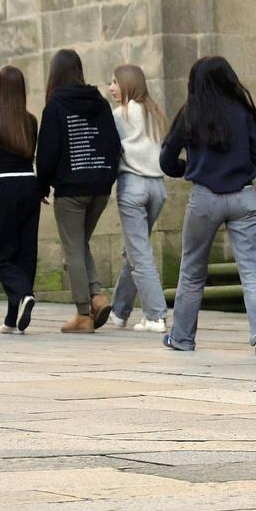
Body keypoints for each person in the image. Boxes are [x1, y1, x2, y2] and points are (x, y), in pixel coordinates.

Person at [160, 56, 256, 355]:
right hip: (243, 196)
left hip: (204, 198)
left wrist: (189, 167)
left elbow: (166, 159)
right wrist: (240, 168)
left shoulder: (190, 114)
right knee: (252, 270)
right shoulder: (241, 111)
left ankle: (182, 338)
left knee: (191, 272)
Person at [36, 49, 121, 334]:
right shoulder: (100, 102)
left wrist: (42, 185)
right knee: (80, 244)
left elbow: (47, 152)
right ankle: (97, 296)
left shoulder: (55, 105)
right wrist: (107, 179)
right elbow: (113, 145)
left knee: (72, 249)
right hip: (99, 188)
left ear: (54, 73)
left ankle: (84, 314)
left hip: (71, 190)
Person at [0, 66, 39, 335]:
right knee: (25, 253)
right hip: (29, 184)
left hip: (4, 184)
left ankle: (23, 294)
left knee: (1, 257)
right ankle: (13, 318)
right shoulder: (31, 120)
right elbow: (28, 156)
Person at [107, 64, 170, 334]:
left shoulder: (120, 114)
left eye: (114, 82)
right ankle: (119, 312)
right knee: (132, 250)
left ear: (127, 84)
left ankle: (155, 315)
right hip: (157, 188)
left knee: (140, 253)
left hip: (132, 185)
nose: (110, 88)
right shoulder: (154, 112)